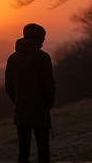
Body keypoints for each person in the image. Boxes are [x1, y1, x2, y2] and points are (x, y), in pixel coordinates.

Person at [5, 23, 56, 163]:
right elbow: (49, 85)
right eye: (42, 38)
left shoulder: (12, 58)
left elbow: (8, 86)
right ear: (37, 38)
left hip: (21, 110)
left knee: (23, 151)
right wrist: (48, 103)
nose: (44, 41)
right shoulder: (43, 58)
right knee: (43, 151)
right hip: (40, 110)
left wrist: (18, 101)